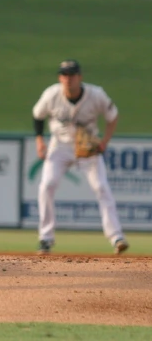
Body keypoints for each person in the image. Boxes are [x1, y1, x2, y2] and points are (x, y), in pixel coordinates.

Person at [32, 59, 128, 255]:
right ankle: (45, 238)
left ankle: (116, 236)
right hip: (60, 146)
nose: (68, 78)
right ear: (60, 77)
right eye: (65, 74)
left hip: (88, 147)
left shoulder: (96, 94)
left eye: (72, 74)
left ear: (79, 77)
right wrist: (40, 141)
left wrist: (105, 142)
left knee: (101, 187)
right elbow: (37, 115)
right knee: (47, 185)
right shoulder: (52, 94)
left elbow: (113, 116)